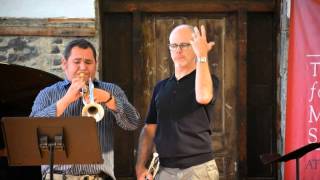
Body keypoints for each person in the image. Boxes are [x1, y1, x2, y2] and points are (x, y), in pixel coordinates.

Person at [30, 39, 141, 180]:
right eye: (77, 62)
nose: (83, 67)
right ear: (65, 64)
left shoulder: (111, 90)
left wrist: (110, 100)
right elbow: (32, 131)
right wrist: (66, 100)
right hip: (58, 176)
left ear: (96, 64)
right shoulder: (47, 93)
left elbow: (133, 123)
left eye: (88, 62)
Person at [135, 24, 219, 180]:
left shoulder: (208, 80)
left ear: (195, 48)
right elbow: (150, 129)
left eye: (185, 45)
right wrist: (140, 165)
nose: (178, 50)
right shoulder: (160, 87)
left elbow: (203, 96)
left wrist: (202, 55)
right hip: (164, 170)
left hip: (199, 170)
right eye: (174, 45)